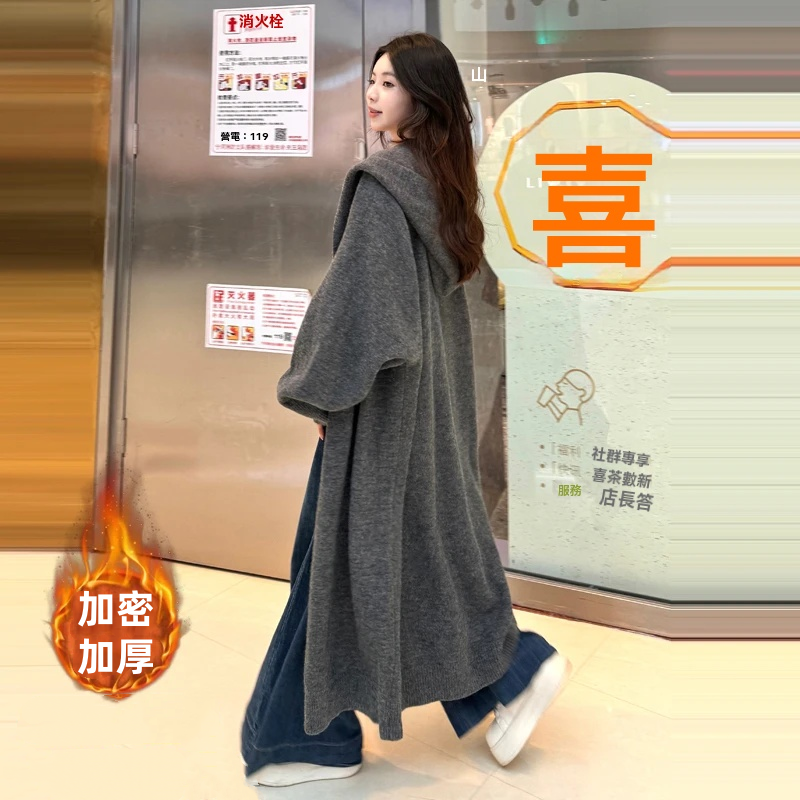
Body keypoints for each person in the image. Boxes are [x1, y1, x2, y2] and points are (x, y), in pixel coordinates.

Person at [240, 32, 571, 792]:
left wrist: (317, 389)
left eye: (390, 82)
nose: (373, 92)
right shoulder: (440, 184)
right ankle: (509, 673)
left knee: (336, 562)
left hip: (382, 413)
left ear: (423, 97)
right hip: (427, 408)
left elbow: (360, 308)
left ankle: (306, 739)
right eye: (373, 78)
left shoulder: (384, 185)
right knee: (408, 554)